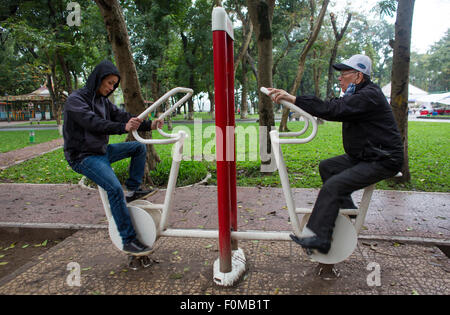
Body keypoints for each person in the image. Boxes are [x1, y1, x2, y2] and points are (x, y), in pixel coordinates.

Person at [267, 54, 404, 254]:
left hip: (384, 159)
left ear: (358, 76)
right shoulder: (356, 95)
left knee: (334, 186)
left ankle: (320, 238)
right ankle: (349, 212)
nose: (340, 78)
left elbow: (333, 109)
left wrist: (294, 98)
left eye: (344, 74)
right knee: (328, 167)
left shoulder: (369, 96)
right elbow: (334, 107)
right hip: (367, 155)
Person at [63, 60, 163, 255]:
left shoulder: (103, 102)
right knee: (114, 189)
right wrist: (121, 128)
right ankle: (128, 240)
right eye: (109, 83)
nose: (111, 88)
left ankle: (134, 190)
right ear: (98, 79)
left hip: (101, 151)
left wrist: (149, 125)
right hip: (82, 156)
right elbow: (93, 123)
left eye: (114, 85)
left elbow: (123, 116)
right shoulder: (76, 100)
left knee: (137, 148)